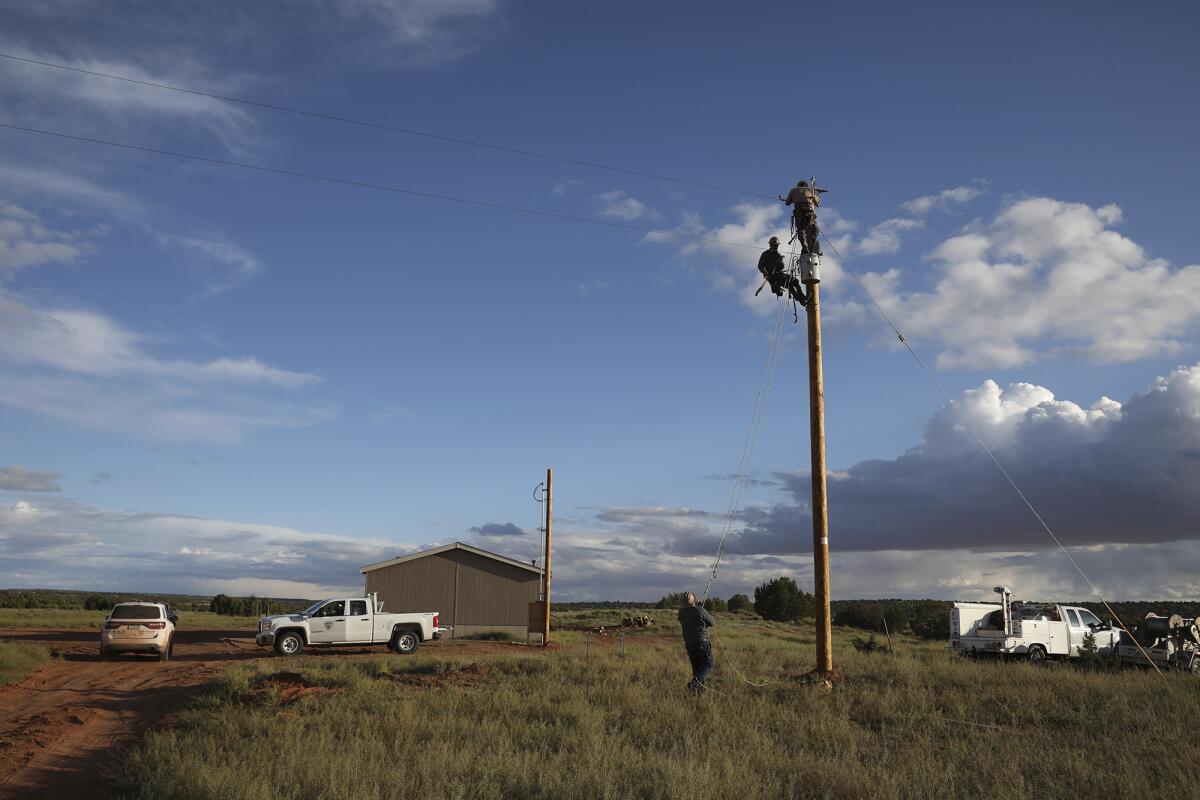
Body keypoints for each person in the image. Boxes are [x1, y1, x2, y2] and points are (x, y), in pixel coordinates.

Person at [677, 591, 715, 694]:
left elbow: (686, 621)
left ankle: (698, 692)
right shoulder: (700, 610)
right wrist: (704, 614)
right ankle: (695, 683)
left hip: (689, 643)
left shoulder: (681, 613)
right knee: (708, 664)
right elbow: (712, 622)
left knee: (697, 667)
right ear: (693, 600)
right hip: (701, 642)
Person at [756, 236, 808, 306]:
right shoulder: (766, 254)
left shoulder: (778, 255)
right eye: (774, 245)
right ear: (770, 245)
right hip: (773, 277)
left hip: (779, 275)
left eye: (776, 246)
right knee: (791, 282)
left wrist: (780, 261)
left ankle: (801, 298)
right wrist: (765, 272)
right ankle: (801, 298)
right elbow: (760, 265)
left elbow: (781, 267)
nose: (776, 247)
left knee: (792, 283)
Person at [781, 180, 822, 256]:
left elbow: (787, 203)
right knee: (814, 228)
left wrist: (794, 199)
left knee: (801, 229)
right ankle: (811, 247)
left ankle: (804, 247)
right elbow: (818, 203)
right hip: (810, 213)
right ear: (806, 186)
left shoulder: (793, 190)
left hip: (799, 211)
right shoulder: (811, 190)